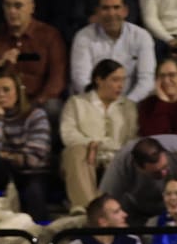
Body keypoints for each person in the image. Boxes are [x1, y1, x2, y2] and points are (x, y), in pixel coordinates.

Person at [60, 59, 139, 213]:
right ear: (99, 80)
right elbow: (68, 135)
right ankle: (88, 209)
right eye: (115, 80)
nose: (120, 85)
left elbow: (132, 138)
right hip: (86, 156)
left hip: (116, 156)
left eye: (123, 80)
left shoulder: (128, 107)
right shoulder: (77, 103)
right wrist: (91, 145)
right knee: (75, 151)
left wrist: (101, 145)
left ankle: (110, 211)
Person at [0, 72, 52, 217]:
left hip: (32, 174)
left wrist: (4, 155)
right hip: (6, 175)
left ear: (18, 92)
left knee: (33, 192)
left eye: (6, 90)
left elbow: (33, 158)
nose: (0, 95)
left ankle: (40, 234)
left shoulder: (36, 115)